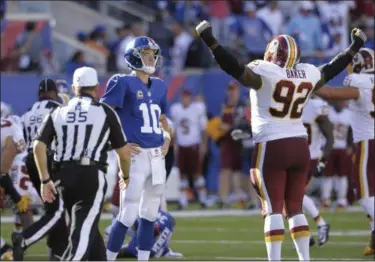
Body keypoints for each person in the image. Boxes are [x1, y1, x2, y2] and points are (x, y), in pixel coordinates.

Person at [195, 19, 366, 260]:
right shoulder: (307, 72)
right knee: (294, 207)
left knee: (273, 208)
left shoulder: (265, 72)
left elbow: (235, 69)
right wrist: (353, 48)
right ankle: (304, 259)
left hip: (272, 144)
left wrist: (210, 41)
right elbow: (331, 69)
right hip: (300, 145)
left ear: (271, 53)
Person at [32, 66, 137, 260]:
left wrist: (45, 180)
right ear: (96, 87)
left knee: (87, 227)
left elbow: (38, 145)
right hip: (90, 175)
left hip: (63, 176)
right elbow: (124, 153)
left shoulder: (59, 110)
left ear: (74, 88)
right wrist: (126, 175)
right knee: (81, 231)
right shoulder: (105, 111)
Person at [101, 36, 171, 261]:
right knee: (128, 214)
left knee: (150, 215)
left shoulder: (159, 85)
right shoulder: (121, 81)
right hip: (136, 155)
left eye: (153, 54)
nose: (152, 58)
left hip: (157, 156)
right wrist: (116, 144)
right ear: (134, 57)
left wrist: (167, 138)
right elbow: (104, 114)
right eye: (147, 54)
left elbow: (163, 119)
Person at [314, 47, 374, 256]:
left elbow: (329, 93)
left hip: (368, 142)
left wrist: (309, 85)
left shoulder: (359, 82)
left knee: (364, 194)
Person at [12, 79, 68, 261]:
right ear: (54, 92)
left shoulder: (28, 111)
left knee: (56, 209)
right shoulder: (57, 108)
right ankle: (25, 239)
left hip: (31, 160)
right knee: (57, 210)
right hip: (49, 159)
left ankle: (58, 253)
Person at [301, 95, 333, 246]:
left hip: (309, 157)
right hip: (293, 156)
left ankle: (319, 225)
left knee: (292, 196)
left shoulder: (315, 105)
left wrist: (323, 161)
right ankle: (307, 232)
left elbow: (330, 136)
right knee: (291, 198)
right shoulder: (288, 102)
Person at [170, 89, 208, 209]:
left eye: (187, 97)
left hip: (194, 145)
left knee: (197, 174)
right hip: (182, 146)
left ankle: (203, 199)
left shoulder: (197, 108)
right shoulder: (176, 109)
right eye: (183, 97)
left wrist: (204, 145)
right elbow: (174, 130)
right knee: (182, 175)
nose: (185, 99)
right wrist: (174, 144)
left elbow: (204, 129)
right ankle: (183, 201)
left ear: (190, 98)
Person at [0, 113, 30, 261]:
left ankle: (4, 249)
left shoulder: (8, 128)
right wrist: (16, 196)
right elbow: (3, 171)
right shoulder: (15, 132)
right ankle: (4, 249)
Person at [323, 100, 353, 209]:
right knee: (328, 175)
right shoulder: (328, 111)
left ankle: (341, 200)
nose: (338, 103)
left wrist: (350, 145)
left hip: (341, 147)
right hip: (329, 147)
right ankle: (326, 199)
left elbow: (351, 131)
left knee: (342, 175)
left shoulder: (347, 114)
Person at [117, 210, 183, 259]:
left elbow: (155, 230)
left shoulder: (144, 212)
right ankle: (164, 250)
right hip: (155, 249)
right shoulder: (166, 216)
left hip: (145, 250)